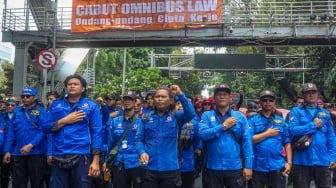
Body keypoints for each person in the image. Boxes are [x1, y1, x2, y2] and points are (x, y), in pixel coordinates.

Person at [42, 75, 103, 188]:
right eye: (69, 84)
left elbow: (97, 132)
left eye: (76, 84)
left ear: (83, 88)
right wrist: (64, 121)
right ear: (66, 87)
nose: (72, 86)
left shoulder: (91, 106)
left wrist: (96, 160)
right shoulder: (55, 105)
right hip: (59, 155)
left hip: (81, 155)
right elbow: (45, 128)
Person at [135, 85, 196, 188]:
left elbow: (190, 113)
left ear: (170, 100)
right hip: (149, 169)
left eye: (163, 97)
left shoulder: (176, 116)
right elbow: (138, 139)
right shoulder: (146, 118)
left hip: (170, 169)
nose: (160, 99)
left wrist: (180, 94)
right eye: (157, 96)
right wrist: (142, 152)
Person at [198, 84, 253, 188]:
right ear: (214, 98)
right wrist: (223, 126)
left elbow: (247, 142)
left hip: (234, 168)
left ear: (230, 98)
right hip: (212, 168)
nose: (222, 97)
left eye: (225, 94)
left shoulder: (240, 117)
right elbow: (202, 134)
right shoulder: (207, 115)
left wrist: (248, 166)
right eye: (218, 94)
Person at [288, 83, 336, 188]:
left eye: (313, 92)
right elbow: (291, 130)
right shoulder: (296, 111)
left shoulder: (325, 113)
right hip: (302, 160)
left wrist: (333, 157)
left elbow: (331, 137)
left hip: (322, 159)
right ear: (303, 94)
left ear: (317, 94)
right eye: (308, 93)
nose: (311, 95)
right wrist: (313, 125)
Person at [3, 87, 48, 188]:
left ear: (35, 97)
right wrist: (7, 151)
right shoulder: (17, 112)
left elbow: (43, 131)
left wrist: (31, 145)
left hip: (36, 153)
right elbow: (11, 133)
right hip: (19, 153)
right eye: (23, 96)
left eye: (28, 96)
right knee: (18, 183)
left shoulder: (41, 112)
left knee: (37, 183)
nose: (25, 98)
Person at [248, 90, 292, 188]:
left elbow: (287, 143)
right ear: (260, 103)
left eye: (270, 100)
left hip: (277, 165)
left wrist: (289, 163)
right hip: (257, 166)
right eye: (264, 100)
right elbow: (249, 140)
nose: (267, 102)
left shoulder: (281, 121)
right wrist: (267, 134)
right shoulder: (252, 120)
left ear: (274, 103)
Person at [104, 90, 144, 188]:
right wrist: (106, 161)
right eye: (125, 99)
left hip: (136, 163)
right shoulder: (115, 121)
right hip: (119, 162)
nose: (127, 101)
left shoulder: (141, 122)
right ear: (122, 102)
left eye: (130, 99)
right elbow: (111, 143)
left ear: (135, 102)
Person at [175, 99, 202, 188]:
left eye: (183, 104)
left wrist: (197, 148)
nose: (180, 106)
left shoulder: (194, 123)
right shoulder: (167, 121)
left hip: (187, 164)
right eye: (178, 103)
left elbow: (198, 139)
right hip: (169, 166)